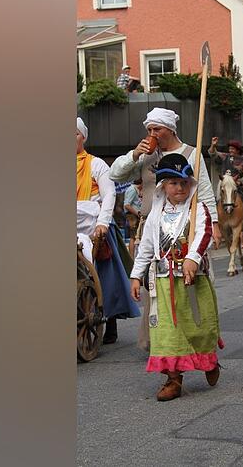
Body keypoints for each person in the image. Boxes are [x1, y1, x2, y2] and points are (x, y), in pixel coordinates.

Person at [129, 153, 222, 402]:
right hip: (162, 283)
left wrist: (192, 257)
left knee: (197, 328)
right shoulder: (155, 215)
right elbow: (146, 247)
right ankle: (173, 379)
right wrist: (136, 275)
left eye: (183, 182)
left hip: (193, 281)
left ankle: (208, 361)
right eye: (173, 183)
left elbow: (205, 234)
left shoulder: (197, 209)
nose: (179, 187)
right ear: (163, 186)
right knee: (168, 332)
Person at [109, 107, 221, 248]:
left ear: (171, 130)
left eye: (157, 129)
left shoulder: (192, 154)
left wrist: (214, 224)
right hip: (150, 227)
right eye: (149, 130)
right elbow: (115, 175)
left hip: (183, 227)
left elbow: (204, 191)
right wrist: (134, 155)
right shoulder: (144, 156)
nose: (152, 134)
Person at [76, 117, 141, 345]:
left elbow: (109, 195)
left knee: (107, 273)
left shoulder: (96, 164)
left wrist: (103, 223)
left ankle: (109, 317)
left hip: (94, 225)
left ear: (83, 137)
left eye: (74, 134)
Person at [208, 137, 243, 230]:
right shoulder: (225, 156)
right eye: (230, 148)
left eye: (233, 149)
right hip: (225, 184)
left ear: (238, 150)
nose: (230, 150)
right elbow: (213, 154)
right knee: (215, 198)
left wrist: (240, 182)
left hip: (239, 185)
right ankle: (213, 218)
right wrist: (213, 145)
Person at [124, 179, 143, 256]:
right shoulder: (132, 190)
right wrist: (137, 213)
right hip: (132, 215)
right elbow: (127, 205)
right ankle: (131, 258)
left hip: (134, 215)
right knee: (133, 237)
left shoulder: (136, 190)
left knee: (135, 236)